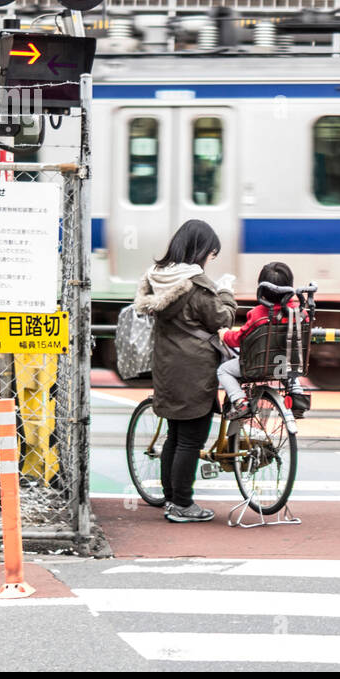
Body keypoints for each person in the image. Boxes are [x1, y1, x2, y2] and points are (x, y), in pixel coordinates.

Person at [133, 219, 237, 523]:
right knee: (191, 438)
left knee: (175, 435)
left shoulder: (156, 278)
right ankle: (182, 504)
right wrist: (227, 292)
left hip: (167, 365)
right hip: (194, 369)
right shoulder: (197, 285)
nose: (209, 260)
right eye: (210, 254)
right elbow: (222, 319)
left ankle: (170, 496)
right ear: (201, 250)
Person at [218, 261, 311, 420]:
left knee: (224, 370)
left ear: (261, 288)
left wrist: (224, 334)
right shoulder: (299, 313)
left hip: (257, 366)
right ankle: (297, 396)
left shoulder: (258, 314)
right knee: (289, 366)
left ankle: (241, 402)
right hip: (283, 364)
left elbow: (239, 339)